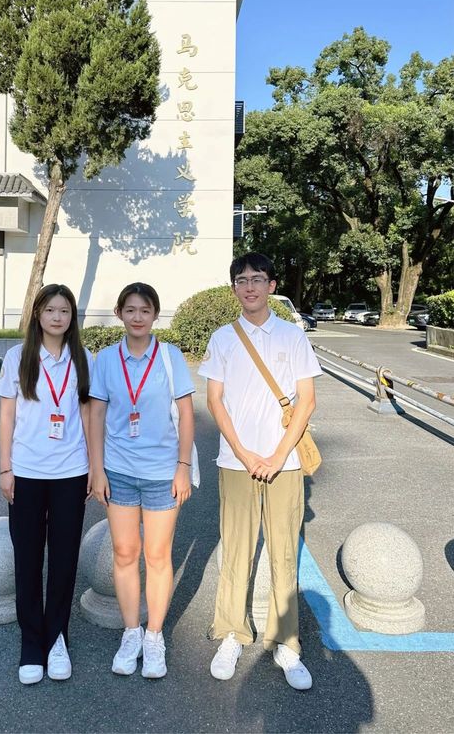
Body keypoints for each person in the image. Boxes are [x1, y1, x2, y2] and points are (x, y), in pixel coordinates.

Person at [198, 252, 322, 690]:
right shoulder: (222, 339)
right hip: (237, 462)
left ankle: (286, 643)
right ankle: (232, 633)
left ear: (271, 285)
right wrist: (246, 454)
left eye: (257, 279)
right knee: (236, 549)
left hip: (285, 463)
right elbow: (214, 401)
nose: (249, 287)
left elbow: (306, 400)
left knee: (284, 552)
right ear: (234, 288)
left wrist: (277, 455)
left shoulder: (293, 335)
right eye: (241, 280)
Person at [88, 282, 195, 679]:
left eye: (145, 310)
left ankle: (154, 636)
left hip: (162, 473)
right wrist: (96, 469)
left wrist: (183, 466)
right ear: (119, 314)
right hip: (118, 470)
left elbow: (187, 413)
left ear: (155, 315)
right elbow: (96, 415)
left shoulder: (170, 356)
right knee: (124, 552)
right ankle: (131, 631)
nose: (137, 317)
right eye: (130, 310)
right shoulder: (105, 359)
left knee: (158, 555)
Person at [0, 284, 93, 685]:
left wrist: (94, 468)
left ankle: (57, 639)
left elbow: (88, 416)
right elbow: (7, 416)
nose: (57, 317)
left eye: (64, 311)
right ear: (38, 314)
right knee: (28, 559)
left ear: (72, 317)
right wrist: (5, 469)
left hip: (71, 472)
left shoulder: (84, 358)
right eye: (50, 310)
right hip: (26, 472)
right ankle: (31, 643)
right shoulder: (17, 357)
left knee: (64, 561)